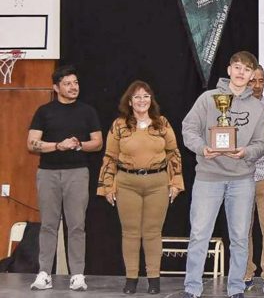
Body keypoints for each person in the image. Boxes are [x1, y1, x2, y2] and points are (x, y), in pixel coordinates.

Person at [181, 51, 264, 298]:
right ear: (229, 70)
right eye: (237, 67)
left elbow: (261, 143)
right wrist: (202, 148)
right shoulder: (208, 99)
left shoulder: (257, 108)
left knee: (240, 237)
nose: (241, 72)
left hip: (242, 180)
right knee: (199, 234)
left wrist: (246, 152)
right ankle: (192, 288)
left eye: (247, 69)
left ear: (252, 76)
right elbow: (189, 128)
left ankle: (236, 288)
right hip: (208, 177)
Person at [97, 80, 184, 294]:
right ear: (130, 101)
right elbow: (110, 156)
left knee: (153, 232)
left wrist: (175, 182)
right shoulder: (119, 125)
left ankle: (154, 280)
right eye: (137, 96)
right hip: (127, 183)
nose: (142, 100)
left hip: (158, 183)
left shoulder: (162, 123)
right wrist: (107, 186)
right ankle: (131, 279)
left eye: (146, 96)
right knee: (130, 233)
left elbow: (174, 153)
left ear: (151, 100)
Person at [27, 65, 103, 291]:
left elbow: (97, 142)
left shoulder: (87, 111)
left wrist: (80, 145)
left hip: (77, 173)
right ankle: (44, 273)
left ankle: (77, 275)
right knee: (49, 225)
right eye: (68, 83)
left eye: (76, 83)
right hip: (48, 174)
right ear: (56, 87)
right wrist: (57, 146)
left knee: (77, 225)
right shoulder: (44, 111)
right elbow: (31, 143)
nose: (73, 87)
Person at [244, 65, 264, 294]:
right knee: (242, 229)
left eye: (261, 81)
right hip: (241, 175)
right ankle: (244, 274)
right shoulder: (234, 107)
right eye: (252, 81)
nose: (257, 85)